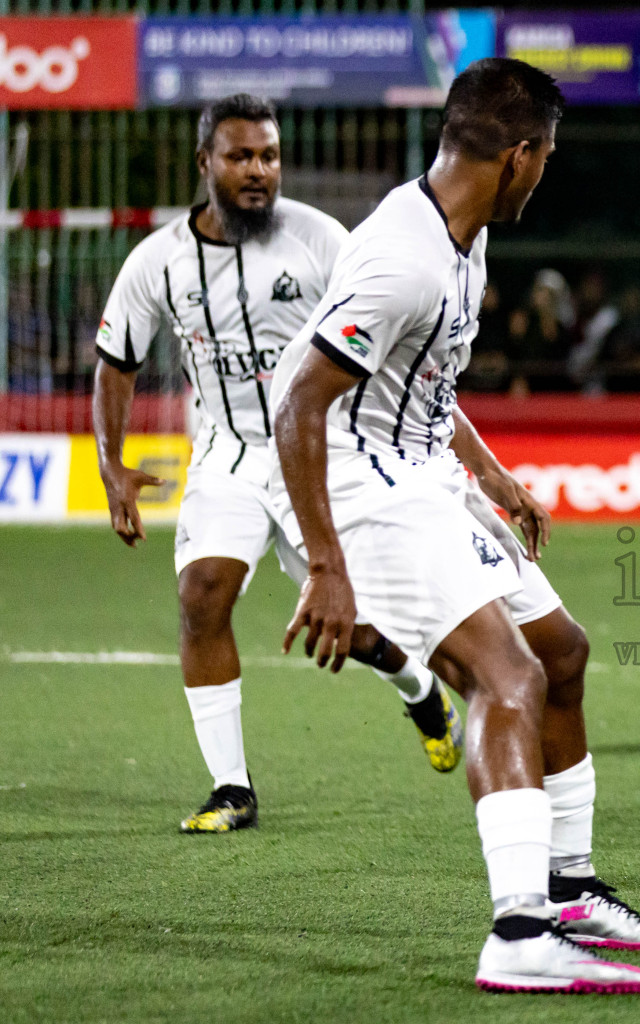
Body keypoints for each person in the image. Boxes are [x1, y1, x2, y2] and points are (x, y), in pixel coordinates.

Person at [270, 58, 640, 994]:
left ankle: (569, 894)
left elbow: (428, 381)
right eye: (548, 158)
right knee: (507, 676)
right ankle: (519, 935)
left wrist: (492, 477)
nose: (546, 175)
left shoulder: (466, 229)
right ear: (520, 154)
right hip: (359, 485)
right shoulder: (402, 257)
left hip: (425, 471)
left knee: (560, 651)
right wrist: (327, 565)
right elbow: (300, 406)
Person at [92, 94, 461, 836]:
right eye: (241, 156)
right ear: (205, 164)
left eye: (269, 155)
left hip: (320, 456)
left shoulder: (322, 240)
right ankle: (231, 788)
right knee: (201, 595)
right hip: (227, 456)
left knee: (350, 629)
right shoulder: (157, 261)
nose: (259, 171)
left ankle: (419, 689)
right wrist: (112, 462)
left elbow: (392, 345)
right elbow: (115, 363)